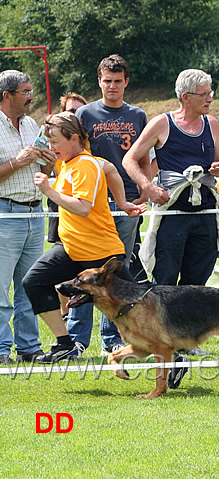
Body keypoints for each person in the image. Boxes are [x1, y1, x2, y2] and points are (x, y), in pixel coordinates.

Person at [22, 112, 144, 363]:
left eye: (55, 141)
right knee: (34, 281)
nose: (51, 147)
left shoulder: (85, 166)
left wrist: (47, 190)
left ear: (74, 138)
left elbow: (82, 207)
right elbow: (110, 168)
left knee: (138, 310)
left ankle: (172, 354)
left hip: (101, 256)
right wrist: (121, 201)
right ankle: (64, 344)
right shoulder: (67, 162)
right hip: (72, 250)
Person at [123, 68, 219, 288]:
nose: (210, 99)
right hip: (173, 213)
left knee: (198, 285)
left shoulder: (211, 123)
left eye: (210, 93)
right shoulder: (161, 124)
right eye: (204, 95)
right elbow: (129, 159)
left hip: (205, 214)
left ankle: (193, 323)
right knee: (165, 283)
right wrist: (148, 188)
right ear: (186, 97)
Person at [68, 55, 150, 355]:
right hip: (91, 204)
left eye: (117, 81)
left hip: (126, 203)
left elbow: (144, 159)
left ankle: (113, 338)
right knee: (85, 271)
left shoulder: (138, 115)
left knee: (117, 271)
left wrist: (143, 188)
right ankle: (77, 340)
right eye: (107, 81)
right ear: (99, 81)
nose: (112, 86)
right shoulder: (86, 114)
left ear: (126, 82)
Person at [0, 69, 56, 364]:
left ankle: (29, 348)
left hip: (35, 213)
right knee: (1, 288)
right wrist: (16, 161)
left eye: (31, 91)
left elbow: (39, 173)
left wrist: (48, 164)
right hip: (5, 213)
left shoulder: (32, 123)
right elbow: (15, 165)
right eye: (26, 92)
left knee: (29, 284)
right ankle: (0, 350)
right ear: (7, 96)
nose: (31, 97)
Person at [47, 92, 88, 245]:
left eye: (80, 111)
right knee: (60, 245)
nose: (76, 115)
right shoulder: (52, 138)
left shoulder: (88, 140)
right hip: (59, 197)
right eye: (71, 111)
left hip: (82, 197)